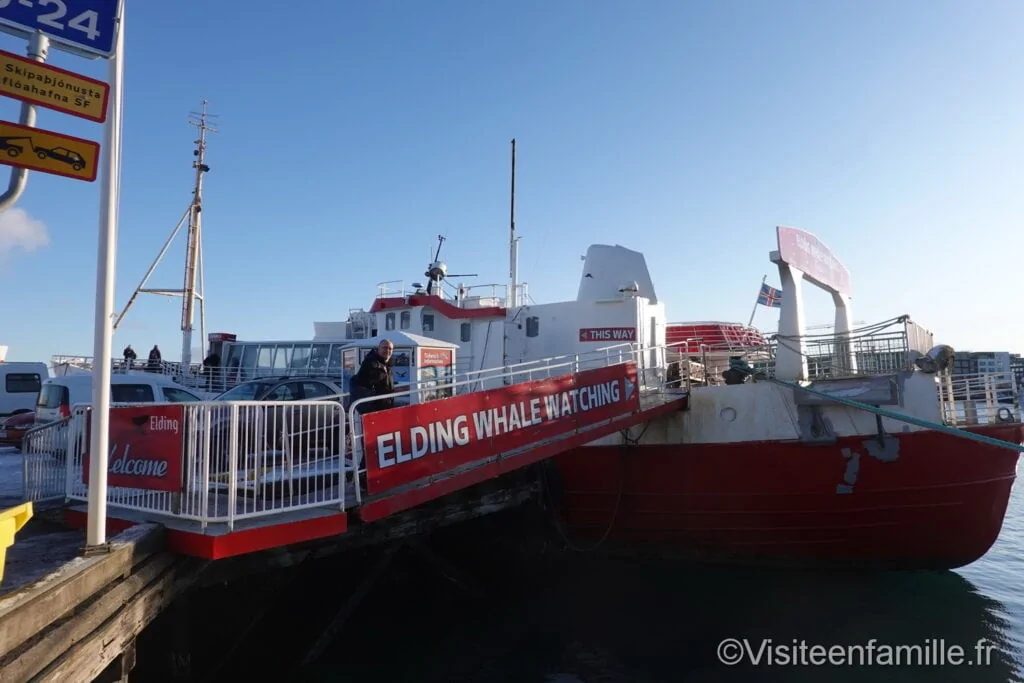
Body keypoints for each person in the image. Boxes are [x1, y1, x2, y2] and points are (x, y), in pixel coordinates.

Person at [350, 340, 395, 414]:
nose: (387, 350)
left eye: (390, 348)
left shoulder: (386, 363)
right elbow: (367, 381)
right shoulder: (371, 361)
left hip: (386, 405)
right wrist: (382, 371)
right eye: (384, 348)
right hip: (375, 408)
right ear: (378, 349)